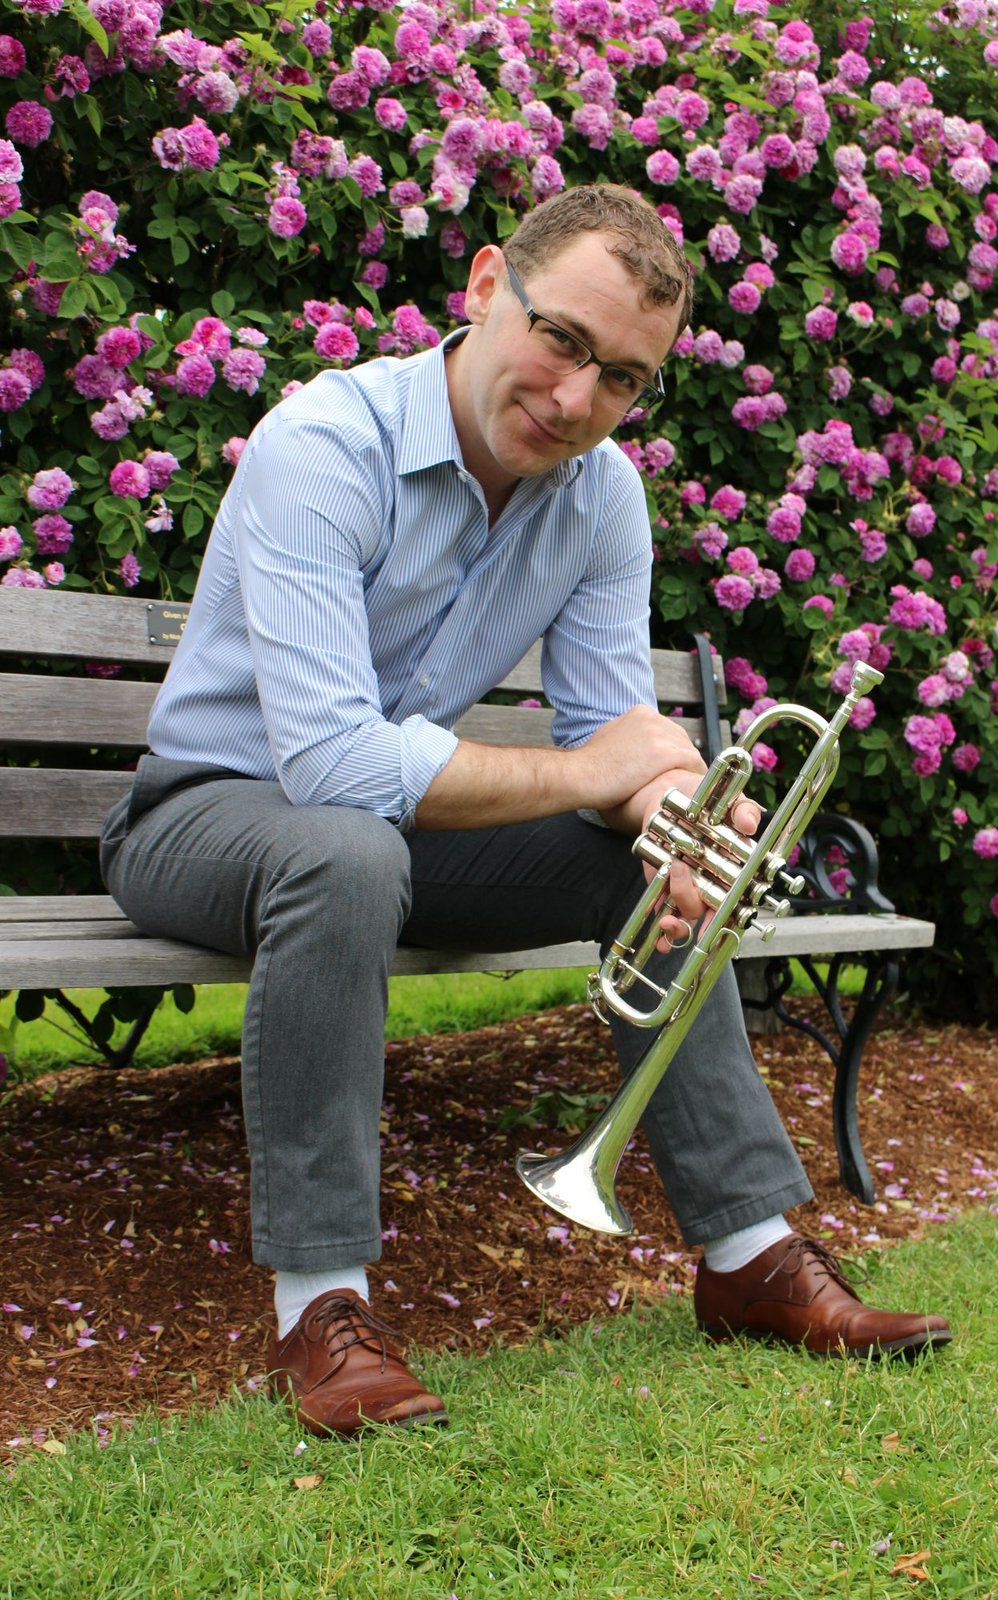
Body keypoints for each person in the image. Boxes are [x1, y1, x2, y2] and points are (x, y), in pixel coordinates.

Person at [100, 184, 950, 1438]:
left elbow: (615, 731)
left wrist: (676, 809)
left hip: (384, 840)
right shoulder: (323, 444)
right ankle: (319, 1304)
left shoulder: (601, 498)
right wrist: (604, 774)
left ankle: (749, 1254)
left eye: (620, 378)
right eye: (561, 339)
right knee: (341, 848)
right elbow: (337, 767)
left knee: (642, 863)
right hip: (206, 817)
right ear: (488, 283)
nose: (574, 401)